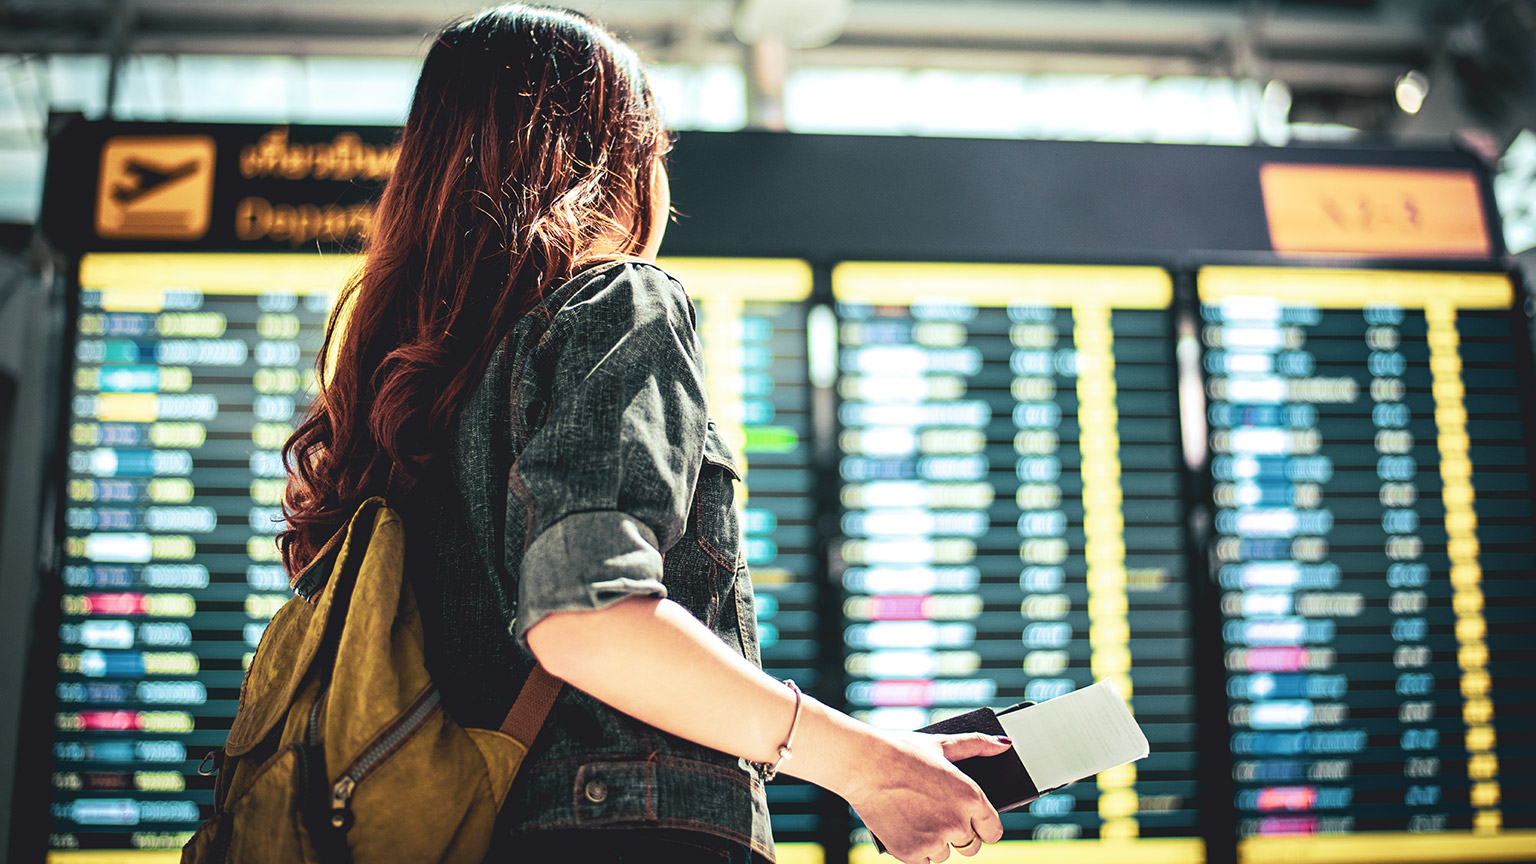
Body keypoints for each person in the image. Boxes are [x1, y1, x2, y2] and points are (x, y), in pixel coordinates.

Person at [279, 5, 1010, 863]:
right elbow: (588, 618)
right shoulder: (619, 301)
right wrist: (870, 766)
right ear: (623, 163)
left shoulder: (398, 390)